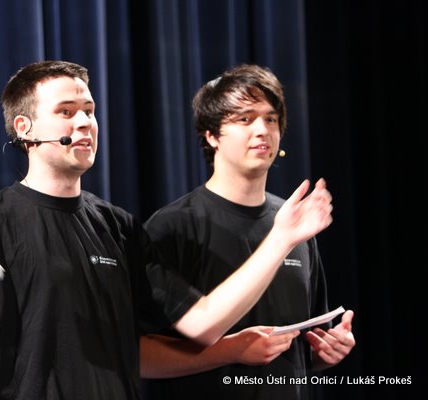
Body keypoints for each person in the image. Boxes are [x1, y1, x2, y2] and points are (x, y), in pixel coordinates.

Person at [0, 60, 334, 400]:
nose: (84, 123)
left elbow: (200, 325)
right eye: (66, 112)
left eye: (89, 111)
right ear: (25, 129)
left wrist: (281, 239)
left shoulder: (118, 227)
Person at [139, 64, 355, 400]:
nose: (262, 130)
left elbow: (300, 351)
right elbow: (141, 357)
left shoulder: (294, 223)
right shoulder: (172, 227)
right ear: (211, 135)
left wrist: (327, 353)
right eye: (245, 119)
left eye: (271, 119)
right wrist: (229, 351)